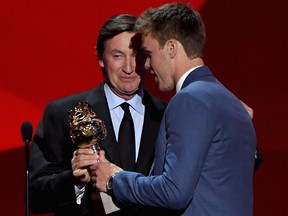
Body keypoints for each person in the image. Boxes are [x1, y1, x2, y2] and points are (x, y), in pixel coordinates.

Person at [92, 2, 257, 216]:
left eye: (149, 53)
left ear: (171, 48)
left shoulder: (190, 100)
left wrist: (115, 179)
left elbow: (173, 191)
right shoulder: (232, 103)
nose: (148, 65)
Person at [28, 14, 167, 216]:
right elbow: (35, 197)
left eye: (137, 55)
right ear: (101, 58)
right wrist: (73, 180)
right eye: (117, 56)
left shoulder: (167, 115)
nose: (129, 68)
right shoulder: (63, 114)